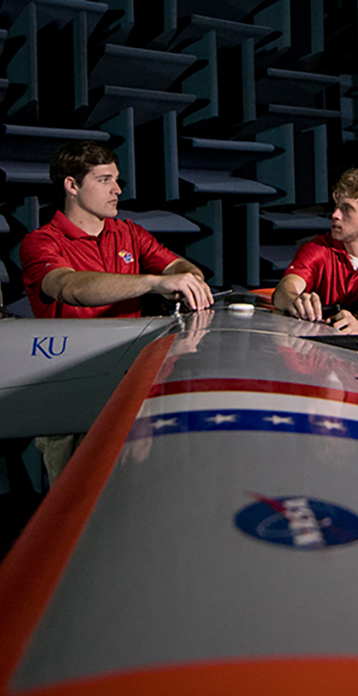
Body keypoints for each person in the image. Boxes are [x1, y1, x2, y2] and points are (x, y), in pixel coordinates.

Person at [20, 140, 214, 484]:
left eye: (117, 179)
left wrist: (188, 280)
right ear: (72, 185)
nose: (117, 189)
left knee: (134, 495)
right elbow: (69, 287)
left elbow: (179, 266)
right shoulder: (41, 242)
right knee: (78, 505)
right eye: (104, 180)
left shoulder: (128, 233)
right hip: (73, 391)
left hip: (129, 385)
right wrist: (154, 283)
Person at [272, 167, 358, 340]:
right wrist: (294, 300)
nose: (335, 215)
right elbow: (284, 289)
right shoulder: (317, 249)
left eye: (347, 209)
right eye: (337, 206)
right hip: (323, 359)